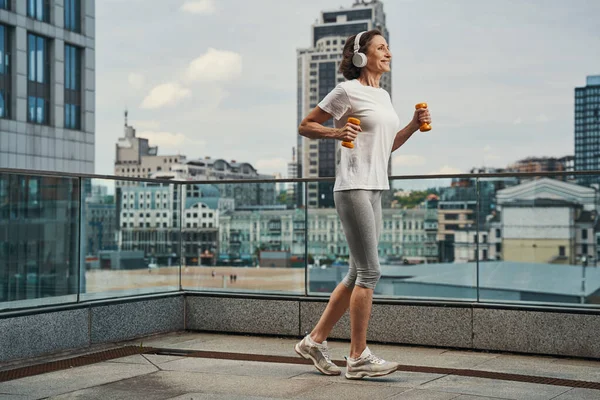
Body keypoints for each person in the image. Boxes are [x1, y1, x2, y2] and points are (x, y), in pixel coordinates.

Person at [294, 29, 432, 380]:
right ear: (361, 56)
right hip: (353, 186)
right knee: (371, 272)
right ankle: (357, 357)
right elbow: (306, 125)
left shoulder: (383, 96)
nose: (389, 52)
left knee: (358, 272)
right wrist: (335, 133)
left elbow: (385, 148)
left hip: (375, 187)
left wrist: (413, 127)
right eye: (381, 48)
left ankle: (314, 340)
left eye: (389, 48)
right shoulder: (346, 91)